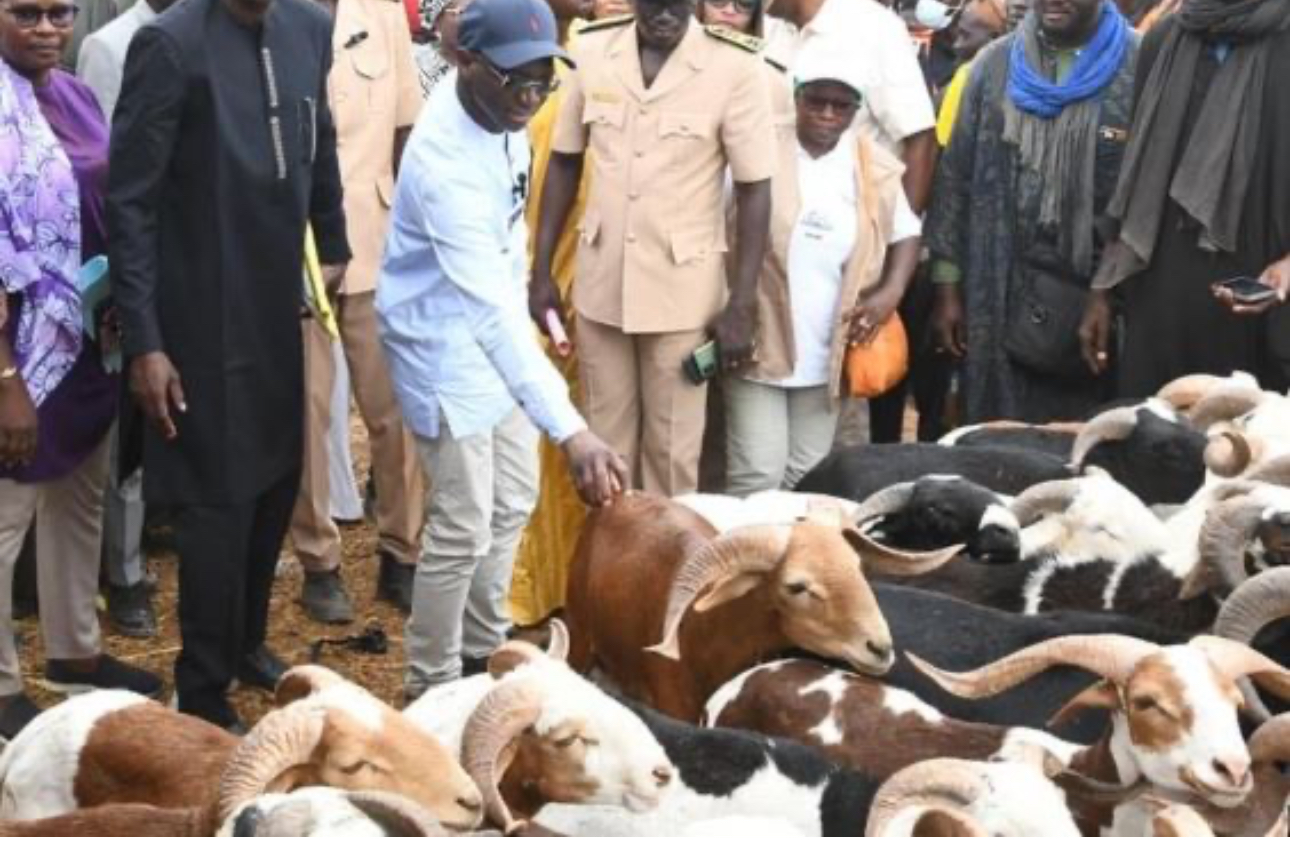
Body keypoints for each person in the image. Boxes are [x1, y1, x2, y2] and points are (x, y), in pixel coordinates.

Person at [108, 0, 351, 730]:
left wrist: (332, 238)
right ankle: (204, 687)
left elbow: (321, 137)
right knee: (218, 503)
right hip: (199, 320)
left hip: (278, 303)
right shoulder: (169, 45)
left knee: (275, 483)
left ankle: (246, 643)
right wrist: (146, 341)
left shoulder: (307, 28)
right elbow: (131, 203)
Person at [377, 0, 626, 697]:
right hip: (442, 349)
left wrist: (534, 296)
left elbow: (508, 241)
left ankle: (482, 653)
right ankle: (428, 685)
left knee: (513, 499)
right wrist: (574, 432)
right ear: (464, 62)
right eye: (515, 79)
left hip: (496, 335)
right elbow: (485, 312)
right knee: (461, 523)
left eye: (543, 79)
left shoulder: (505, 122)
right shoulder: (442, 162)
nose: (530, 96)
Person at [531, 0, 775, 497]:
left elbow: (755, 190)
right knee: (604, 457)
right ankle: (613, 570)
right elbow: (562, 162)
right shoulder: (592, 49)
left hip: (681, 294)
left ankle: (666, 573)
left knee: (671, 458)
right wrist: (540, 272)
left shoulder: (734, 66)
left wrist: (743, 300)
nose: (663, 13)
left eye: (676, 3)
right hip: (602, 287)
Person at [0, 0, 162, 739]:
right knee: (7, 518)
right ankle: (1, 680)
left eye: (58, 12)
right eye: (23, 12)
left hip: (89, 338)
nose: (45, 28)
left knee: (81, 498)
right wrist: (6, 381)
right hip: (18, 353)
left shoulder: (76, 91)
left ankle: (74, 652)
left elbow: (110, 198)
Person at [924, 0, 1138, 423]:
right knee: (992, 433)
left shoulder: (1140, 64)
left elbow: (1146, 195)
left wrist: (1107, 293)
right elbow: (956, 180)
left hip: (1091, 295)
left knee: (1084, 441)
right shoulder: (994, 65)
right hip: (995, 289)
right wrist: (948, 290)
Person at [725, 43, 921, 494]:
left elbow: (906, 233)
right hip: (759, 339)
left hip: (829, 350)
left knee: (806, 478)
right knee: (757, 474)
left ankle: (791, 564)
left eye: (842, 104)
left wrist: (890, 293)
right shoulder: (758, 143)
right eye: (816, 100)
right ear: (796, 96)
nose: (828, 113)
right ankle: (745, 562)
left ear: (856, 107)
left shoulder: (873, 165)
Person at [289, 0, 425, 624]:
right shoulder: (269, 14)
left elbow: (404, 129)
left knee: (395, 410)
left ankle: (404, 551)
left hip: (376, 240)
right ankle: (319, 562)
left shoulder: (383, 12)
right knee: (308, 414)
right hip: (298, 249)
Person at [1080, 0, 1290, 396]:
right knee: (1158, 436)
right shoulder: (1163, 39)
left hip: (1265, 295)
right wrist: (1102, 290)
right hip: (1163, 292)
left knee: (1246, 445)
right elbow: (1134, 175)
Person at [76, 0, 180, 641]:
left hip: (188, 262)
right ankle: (124, 574)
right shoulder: (111, 46)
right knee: (124, 431)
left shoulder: (210, 33)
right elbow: (107, 169)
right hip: (130, 266)